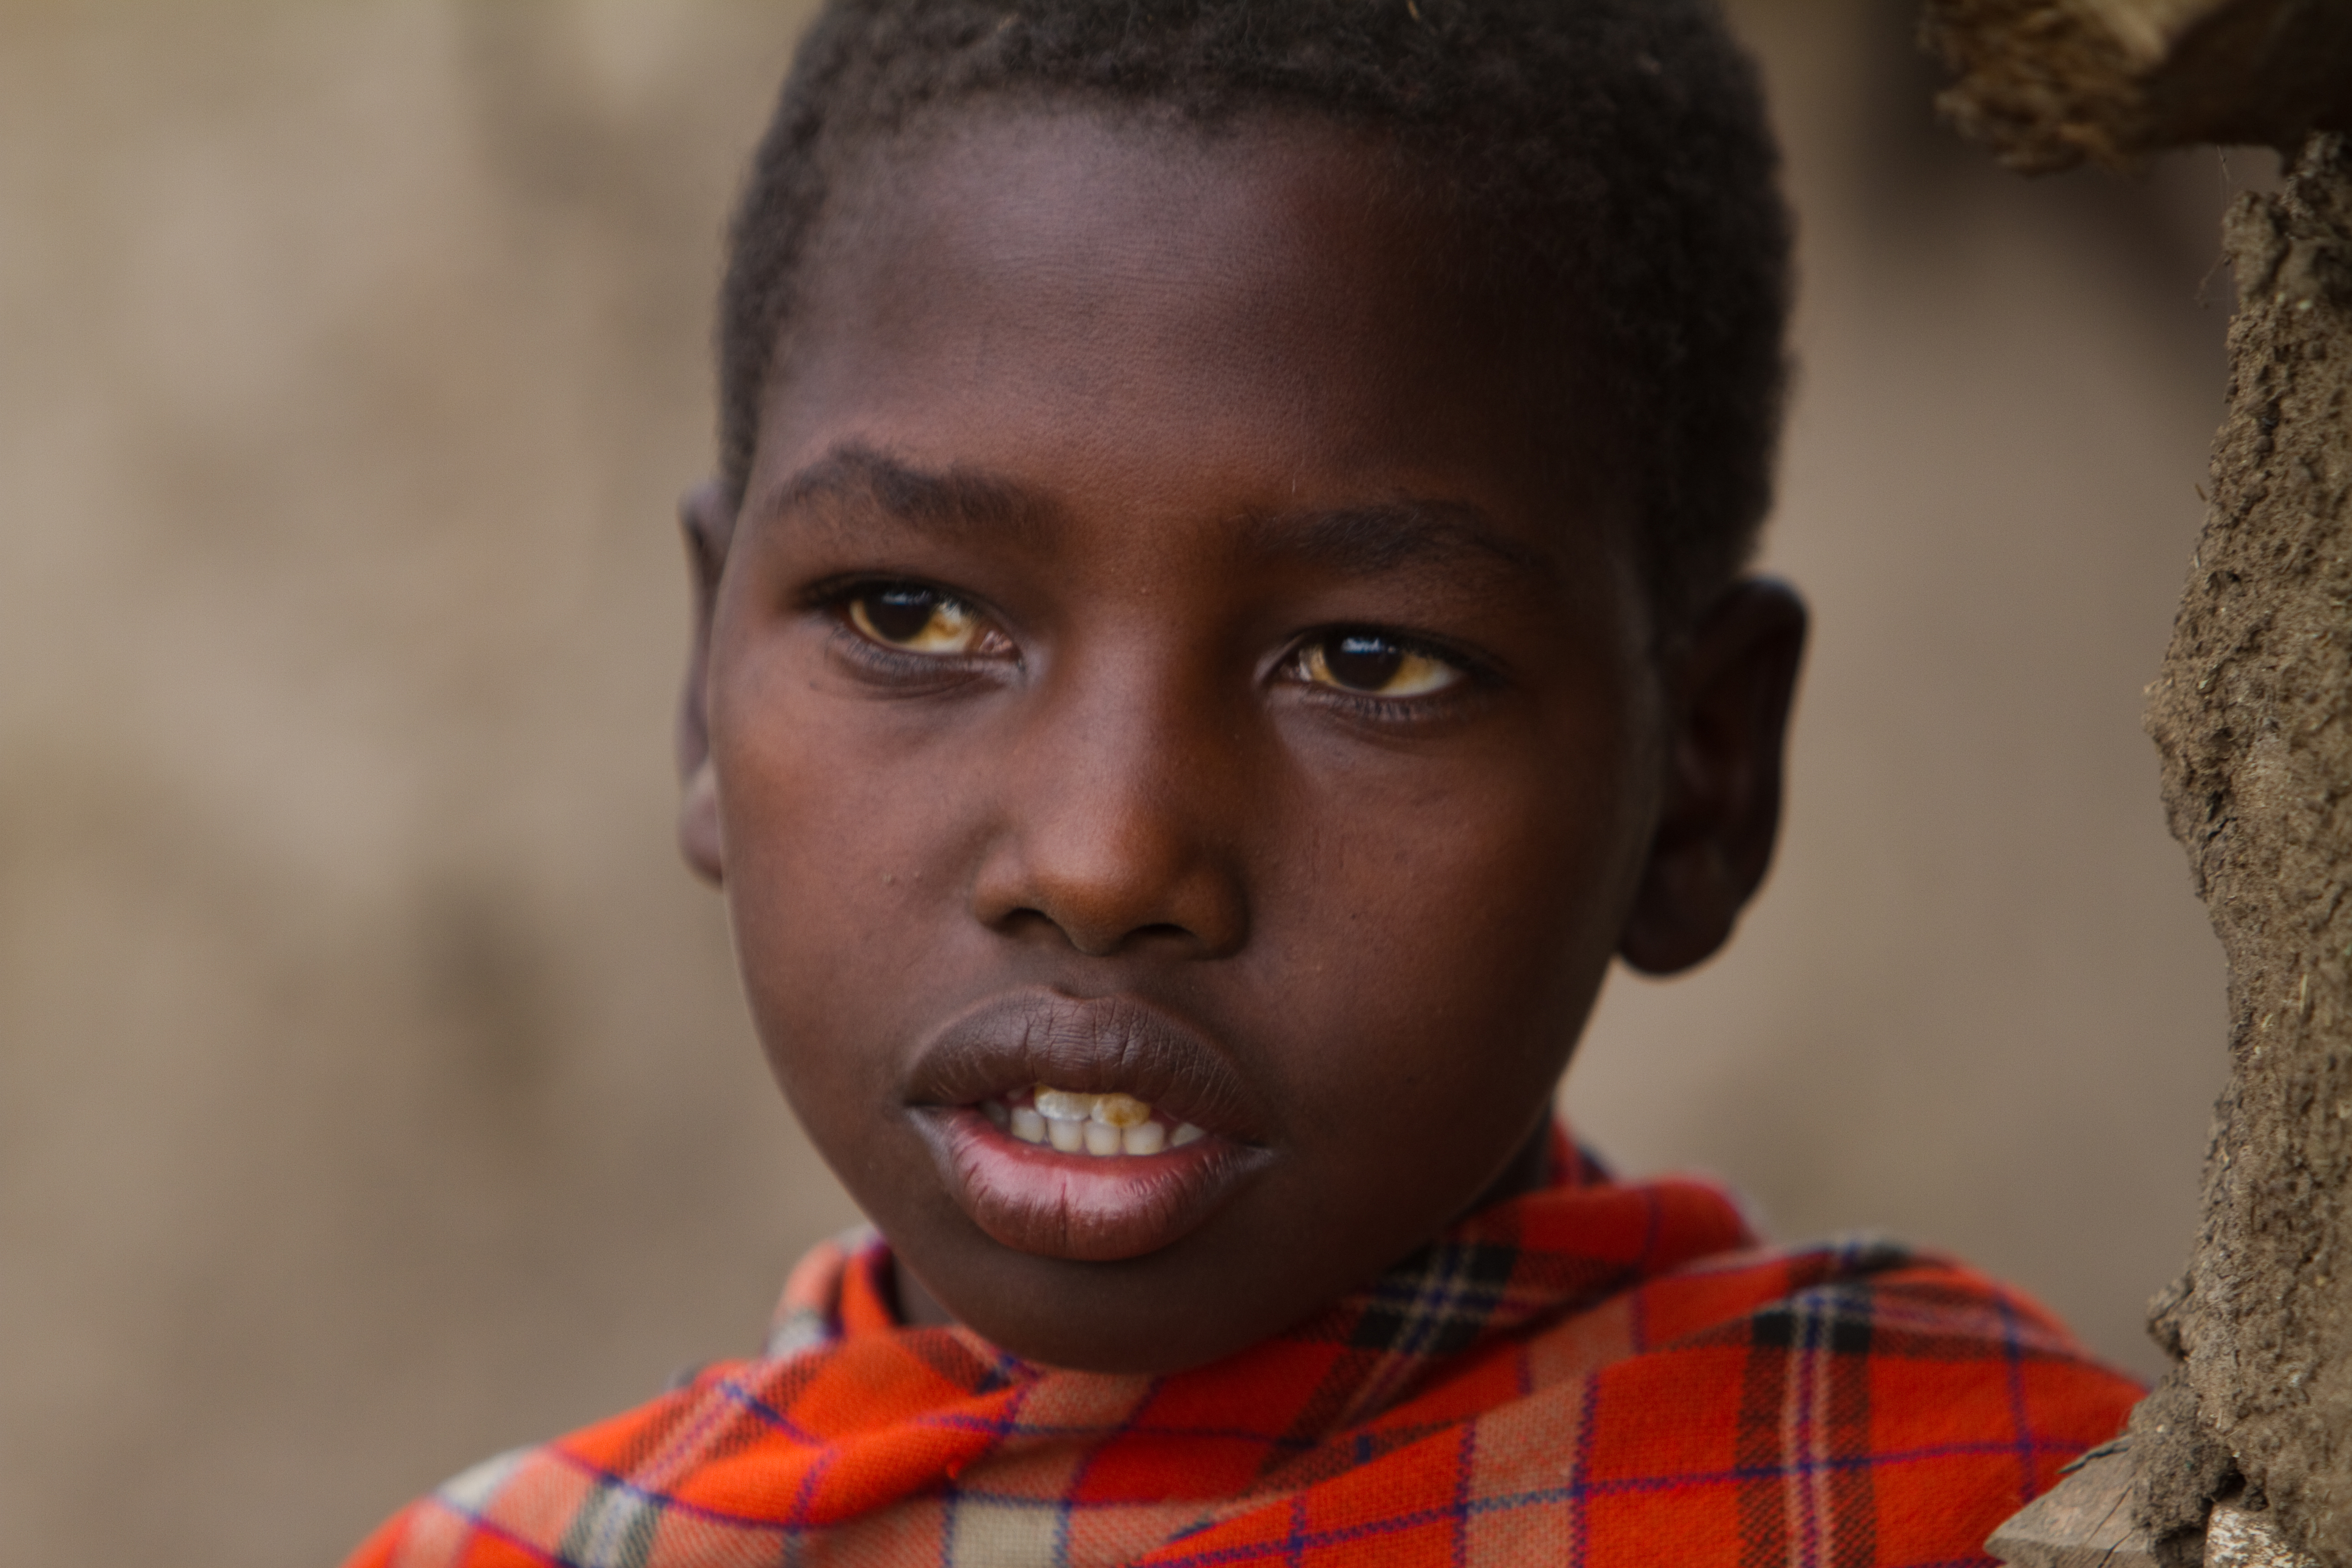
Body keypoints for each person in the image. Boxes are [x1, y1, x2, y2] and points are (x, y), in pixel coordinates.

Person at [347, 1, 2141, 1562]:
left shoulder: (1999, 1521)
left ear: (1702, 781)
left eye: (1372, 662)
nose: (1106, 854)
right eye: (911, 612)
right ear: (700, 696)